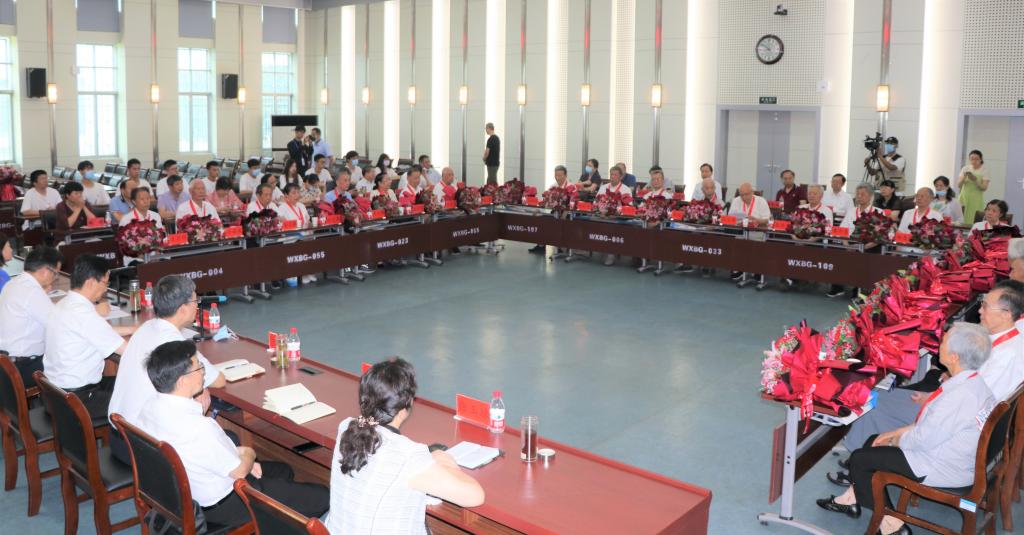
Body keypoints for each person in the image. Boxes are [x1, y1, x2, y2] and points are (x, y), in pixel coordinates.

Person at [817, 322, 995, 535]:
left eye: (944, 342)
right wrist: (895, 433)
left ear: (954, 357)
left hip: (940, 466)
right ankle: (850, 500)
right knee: (873, 441)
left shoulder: (958, 396)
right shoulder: (975, 384)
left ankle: (892, 524)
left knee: (860, 460)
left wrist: (894, 440)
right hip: (955, 457)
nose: (940, 344)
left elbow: (922, 440)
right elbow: (932, 426)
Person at [833, 283, 1024, 478]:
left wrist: (932, 399)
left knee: (875, 403)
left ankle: (859, 464)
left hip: (957, 427)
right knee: (884, 397)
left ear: (1006, 314)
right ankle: (863, 450)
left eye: (985, 306)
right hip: (956, 409)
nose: (980, 311)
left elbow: (972, 403)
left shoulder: (1006, 356)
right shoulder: (1009, 340)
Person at [136, 340, 329, 527]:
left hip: (181, 493)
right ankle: (271, 520)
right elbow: (239, 471)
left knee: (283, 471)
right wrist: (248, 453)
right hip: (225, 504)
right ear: (183, 381)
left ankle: (275, 513)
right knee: (322, 496)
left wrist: (238, 455)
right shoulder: (199, 427)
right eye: (198, 367)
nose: (203, 371)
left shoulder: (148, 408)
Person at [326, 358, 484, 534]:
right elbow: (475, 496)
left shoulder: (346, 427)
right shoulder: (408, 455)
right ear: (407, 405)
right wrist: (446, 462)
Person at [107, 275, 225, 463]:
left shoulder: (146, 327)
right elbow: (219, 380)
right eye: (195, 301)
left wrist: (201, 385)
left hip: (119, 435)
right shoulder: (174, 343)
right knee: (227, 442)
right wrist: (202, 384)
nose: (197, 306)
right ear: (183, 309)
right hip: (143, 450)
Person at [43, 255, 134, 419]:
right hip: (78, 400)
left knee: (128, 383)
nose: (106, 289)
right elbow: (129, 351)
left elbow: (98, 331)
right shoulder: (83, 313)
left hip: (56, 393)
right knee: (138, 398)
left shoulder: (65, 304)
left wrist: (132, 329)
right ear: (91, 282)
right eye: (105, 283)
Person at [0, 246, 62, 387]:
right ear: (45, 271)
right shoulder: (32, 292)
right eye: (56, 273)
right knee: (71, 364)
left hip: (5, 366)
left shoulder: (13, 283)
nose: (55, 278)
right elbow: (60, 325)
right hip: (23, 369)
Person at [729, 183, 772, 290]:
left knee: (755, 244)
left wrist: (757, 220)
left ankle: (757, 270)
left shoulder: (761, 201)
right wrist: (738, 221)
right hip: (741, 231)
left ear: (752, 192)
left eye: (746, 194)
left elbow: (767, 220)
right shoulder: (736, 200)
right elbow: (730, 218)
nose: (743, 197)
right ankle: (740, 268)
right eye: (741, 195)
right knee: (736, 242)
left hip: (758, 231)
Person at [958, 149, 988, 223]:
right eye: (972, 159)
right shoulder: (965, 168)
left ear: (981, 159)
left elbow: (984, 188)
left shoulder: (984, 170)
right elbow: (959, 185)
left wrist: (975, 180)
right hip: (964, 197)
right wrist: (964, 177)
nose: (974, 161)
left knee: (974, 219)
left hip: (976, 199)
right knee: (960, 219)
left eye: (976, 159)